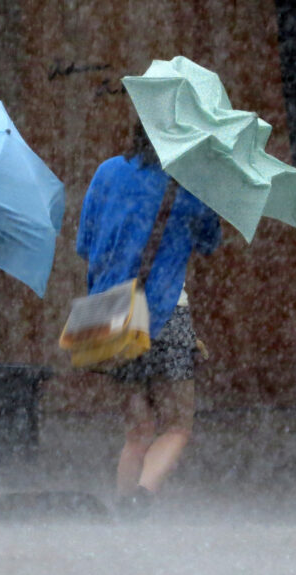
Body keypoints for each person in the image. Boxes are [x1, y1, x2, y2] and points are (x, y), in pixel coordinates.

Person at [76, 121, 221, 512]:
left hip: (112, 316)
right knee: (177, 426)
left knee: (137, 432)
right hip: (166, 316)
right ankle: (141, 498)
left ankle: (124, 517)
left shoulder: (107, 173)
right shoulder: (192, 186)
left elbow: (85, 244)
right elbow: (209, 242)